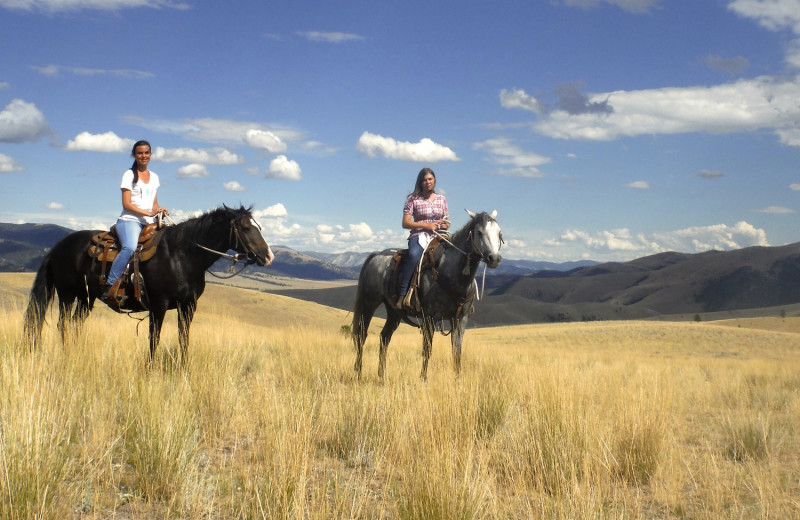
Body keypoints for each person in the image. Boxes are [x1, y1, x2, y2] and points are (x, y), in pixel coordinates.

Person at [102, 140, 169, 302]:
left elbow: (154, 203)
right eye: (140, 153)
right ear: (134, 155)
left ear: (150, 155)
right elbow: (126, 204)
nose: (143, 156)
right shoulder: (129, 175)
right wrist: (147, 212)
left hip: (148, 222)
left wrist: (160, 209)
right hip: (129, 220)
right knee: (130, 247)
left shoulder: (154, 177)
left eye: (146, 153)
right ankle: (110, 284)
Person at [397, 167, 450, 309]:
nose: (428, 182)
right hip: (419, 235)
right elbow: (405, 222)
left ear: (434, 180)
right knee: (414, 255)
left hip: (439, 236)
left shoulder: (442, 199)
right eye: (424, 180)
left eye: (430, 179)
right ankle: (403, 293)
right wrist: (426, 226)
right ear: (420, 182)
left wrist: (444, 225)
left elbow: (446, 221)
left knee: (454, 256)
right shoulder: (412, 199)